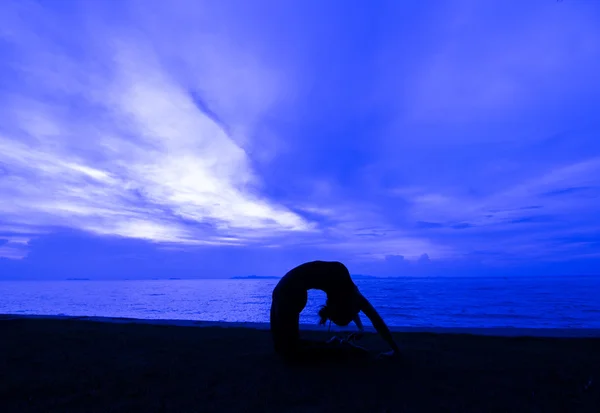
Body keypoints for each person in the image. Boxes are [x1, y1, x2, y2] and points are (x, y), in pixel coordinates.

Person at [270, 260, 401, 362]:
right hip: (287, 291)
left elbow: (357, 309)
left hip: (285, 289)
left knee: (284, 348)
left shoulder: (346, 291)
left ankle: (335, 345)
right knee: (288, 352)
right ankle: (339, 346)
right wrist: (396, 350)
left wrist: (361, 329)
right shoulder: (345, 291)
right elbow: (376, 320)